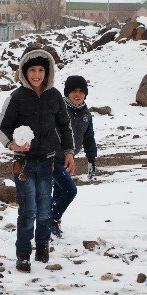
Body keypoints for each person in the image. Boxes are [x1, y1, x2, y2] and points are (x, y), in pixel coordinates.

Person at [0, 47, 75, 273]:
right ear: (24, 71)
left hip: (48, 162)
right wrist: (12, 144)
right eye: (32, 70)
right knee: (28, 210)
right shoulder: (17, 97)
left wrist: (68, 152)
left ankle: (42, 247)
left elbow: (64, 125)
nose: (37, 74)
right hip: (24, 165)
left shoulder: (55, 96)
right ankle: (23, 254)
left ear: (47, 71)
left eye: (41, 70)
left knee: (44, 210)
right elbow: (0, 127)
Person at [51, 75, 97, 238]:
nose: (77, 94)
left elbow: (89, 138)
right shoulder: (58, 108)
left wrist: (91, 160)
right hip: (54, 157)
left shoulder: (86, 114)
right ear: (67, 93)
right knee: (70, 190)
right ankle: (52, 219)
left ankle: (50, 223)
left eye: (81, 91)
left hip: (67, 159)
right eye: (73, 91)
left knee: (59, 192)